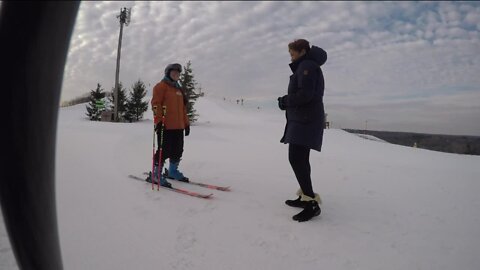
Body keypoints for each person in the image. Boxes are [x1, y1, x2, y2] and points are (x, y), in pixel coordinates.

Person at [278, 39, 327, 222]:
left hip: (305, 120)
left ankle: (311, 204)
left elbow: (306, 95)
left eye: (292, 53)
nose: (291, 57)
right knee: (300, 159)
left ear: (302, 51)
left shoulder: (306, 66)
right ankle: (306, 197)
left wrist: (285, 100)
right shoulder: (306, 66)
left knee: (296, 158)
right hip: (304, 119)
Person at [147, 63, 190, 188]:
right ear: (168, 73)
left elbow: (183, 109)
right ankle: (155, 174)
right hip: (165, 126)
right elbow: (156, 104)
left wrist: (186, 124)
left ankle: (172, 171)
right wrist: (158, 121)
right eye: (174, 72)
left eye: (178, 73)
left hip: (179, 127)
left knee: (178, 151)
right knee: (163, 151)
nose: (176, 74)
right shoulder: (161, 87)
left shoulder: (179, 90)